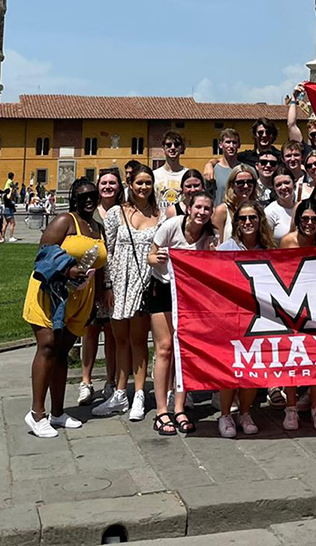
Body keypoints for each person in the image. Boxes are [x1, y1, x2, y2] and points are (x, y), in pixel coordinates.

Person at [22, 179, 110, 437]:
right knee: (47, 346)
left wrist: (101, 295)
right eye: (83, 196)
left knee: (62, 352)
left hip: (81, 298)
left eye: (92, 195)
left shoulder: (97, 227)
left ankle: (58, 412)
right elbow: (43, 252)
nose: (89, 200)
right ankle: (37, 413)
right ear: (74, 198)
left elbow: (101, 264)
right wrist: (69, 270)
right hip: (53, 293)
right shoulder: (65, 221)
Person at [92, 165, 161, 421]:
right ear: (130, 185)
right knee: (120, 340)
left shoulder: (159, 214)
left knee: (139, 340)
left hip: (145, 284)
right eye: (139, 183)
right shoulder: (115, 213)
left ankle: (140, 393)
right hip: (119, 283)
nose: (143, 187)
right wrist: (107, 286)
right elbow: (107, 251)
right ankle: (120, 393)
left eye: (148, 183)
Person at [147, 189, 216, 436]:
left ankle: (179, 407)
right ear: (189, 207)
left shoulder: (209, 235)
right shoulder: (171, 226)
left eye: (207, 209)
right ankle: (161, 411)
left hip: (188, 293)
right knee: (164, 347)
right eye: (198, 207)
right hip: (162, 289)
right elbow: (150, 256)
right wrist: (160, 259)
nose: (202, 212)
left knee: (182, 348)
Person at [216, 202, 276, 438]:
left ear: (260, 219)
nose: (248, 222)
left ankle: (245, 412)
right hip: (232, 317)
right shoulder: (225, 249)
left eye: (252, 217)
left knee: (254, 369)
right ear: (237, 223)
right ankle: (225, 414)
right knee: (231, 368)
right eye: (243, 218)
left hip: (260, 317)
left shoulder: (269, 249)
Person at [279, 197, 316, 432]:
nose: (309, 223)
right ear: (298, 220)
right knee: (291, 358)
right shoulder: (287, 241)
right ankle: (291, 408)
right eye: (305, 219)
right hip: (290, 307)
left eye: (314, 219)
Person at [79, 167, 124, 405]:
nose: (108, 186)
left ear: (119, 187)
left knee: (112, 333)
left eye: (112, 183)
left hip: (113, 281)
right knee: (90, 331)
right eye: (104, 182)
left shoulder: (123, 211)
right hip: (91, 280)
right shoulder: (89, 212)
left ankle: (110, 380)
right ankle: (85, 382)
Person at [212, 164, 258, 242]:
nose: (246, 186)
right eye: (240, 182)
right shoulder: (222, 211)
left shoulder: (257, 209)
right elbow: (217, 245)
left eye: (250, 182)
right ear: (232, 185)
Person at [153, 131, 188, 213]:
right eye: (168, 145)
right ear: (163, 149)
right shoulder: (154, 175)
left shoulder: (188, 175)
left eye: (176, 145)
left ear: (182, 148)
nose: (172, 148)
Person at [203, 128, 240, 200]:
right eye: (228, 142)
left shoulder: (245, 170)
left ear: (239, 145)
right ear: (220, 144)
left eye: (234, 142)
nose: (231, 146)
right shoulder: (212, 170)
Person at [265, 167, 296, 244]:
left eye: (287, 183)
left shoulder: (301, 207)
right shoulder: (269, 212)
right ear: (274, 188)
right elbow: (266, 242)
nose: (283, 187)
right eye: (279, 185)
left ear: (294, 183)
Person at [2, 177, 18, 242]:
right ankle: (11, 237)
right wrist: (11, 190)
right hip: (8, 210)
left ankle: (2, 237)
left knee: (5, 224)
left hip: (7, 210)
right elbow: (8, 197)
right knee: (12, 223)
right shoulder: (6, 196)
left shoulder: (5, 196)